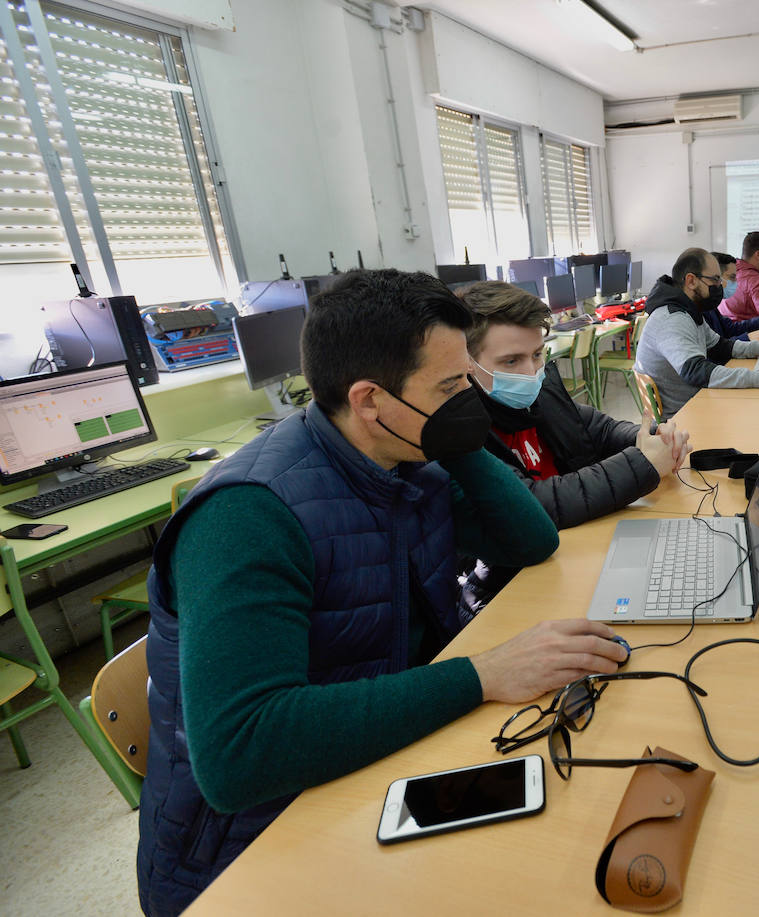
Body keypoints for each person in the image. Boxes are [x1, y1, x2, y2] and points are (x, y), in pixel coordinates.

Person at [137, 270, 628, 916]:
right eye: (453, 387)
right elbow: (240, 755)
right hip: (251, 849)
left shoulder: (409, 458)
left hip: (379, 762)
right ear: (370, 400)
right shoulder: (247, 516)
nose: (470, 400)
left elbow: (531, 540)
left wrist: (455, 436)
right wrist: (482, 674)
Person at [456, 280, 691, 610]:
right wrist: (644, 463)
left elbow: (600, 429)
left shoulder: (541, 393)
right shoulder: (461, 431)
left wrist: (655, 437)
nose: (531, 372)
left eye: (537, 354)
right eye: (511, 362)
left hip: (575, 555)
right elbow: (535, 505)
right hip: (515, 589)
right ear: (467, 362)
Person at [634, 248, 759, 417]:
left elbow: (720, 346)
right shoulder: (671, 319)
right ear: (691, 281)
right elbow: (695, 371)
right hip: (685, 416)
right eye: (715, 280)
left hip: (699, 401)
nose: (720, 286)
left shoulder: (689, 311)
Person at [708, 252, 759, 343]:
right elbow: (713, 348)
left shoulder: (711, 306)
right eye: (732, 277)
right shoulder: (701, 311)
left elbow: (731, 328)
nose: (736, 282)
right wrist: (747, 338)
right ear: (715, 278)